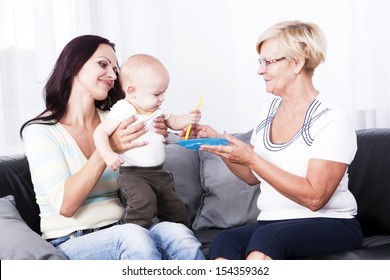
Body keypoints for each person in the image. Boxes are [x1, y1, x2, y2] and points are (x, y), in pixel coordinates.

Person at [187, 20, 363, 260]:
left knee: (268, 239)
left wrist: (251, 158)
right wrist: (220, 144)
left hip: (331, 223)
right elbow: (251, 176)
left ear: (297, 63)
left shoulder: (332, 118)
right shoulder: (269, 110)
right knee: (225, 241)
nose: (260, 70)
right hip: (272, 223)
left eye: (268, 62)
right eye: (260, 62)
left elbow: (315, 198)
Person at [19, 35, 205, 260]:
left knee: (178, 234)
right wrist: (109, 148)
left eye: (115, 69)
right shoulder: (41, 130)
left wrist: (170, 132)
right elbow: (66, 205)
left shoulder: (118, 118)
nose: (112, 74)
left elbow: (157, 139)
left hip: (125, 226)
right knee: (132, 238)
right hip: (71, 239)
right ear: (74, 64)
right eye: (103, 64)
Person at [93, 54, 201, 228]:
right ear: (132, 91)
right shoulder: (123, 109)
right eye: (157, 93)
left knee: (176, 208)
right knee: (143, 203)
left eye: (164, 93)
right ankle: (130, 232)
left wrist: (190, 119)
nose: (162, 98)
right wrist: (108, 154)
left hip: (159, 172)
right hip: (134, 174)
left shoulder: (157, 110)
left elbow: (174, 122)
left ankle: (180, 233)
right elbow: (100, 132)